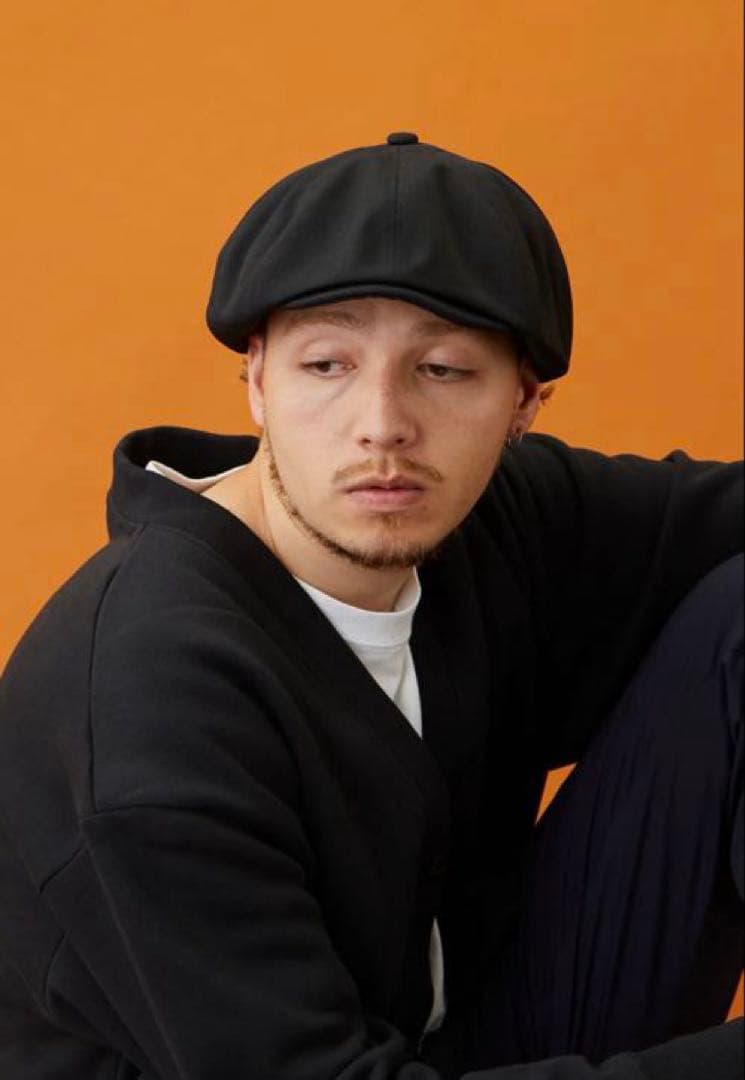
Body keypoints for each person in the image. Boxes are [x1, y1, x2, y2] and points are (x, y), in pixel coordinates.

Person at [0, 131, 741, 1080]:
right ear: (256, 379)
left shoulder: (495, 519)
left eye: (443, 370)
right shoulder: (145, 704)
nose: (383, 426)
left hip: (467, 1026)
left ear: (523, 402)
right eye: (327, 365)